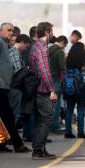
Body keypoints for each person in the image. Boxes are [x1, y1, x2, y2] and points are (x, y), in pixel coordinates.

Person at [0, 23, 31, 153]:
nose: (11, 33)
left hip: (2, 86)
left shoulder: (3, 43)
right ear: (1, 31)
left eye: (12, 31)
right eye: (9, 30)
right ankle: (17, 144)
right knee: (7, 116)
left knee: (0, 117)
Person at [29, 22, 58, 159]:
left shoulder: (36, 46)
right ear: (47, 32)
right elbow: (45, 71)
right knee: (47, 118)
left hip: (36, 87)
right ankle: (38, 150)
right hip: (42, 89)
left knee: (40, 119)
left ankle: (40, 148)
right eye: (51, 31)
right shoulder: (42, 48)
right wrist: (52, 90)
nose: (52, 33)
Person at [64, 42, 85, 139]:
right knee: (81, 110)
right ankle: (80, 132)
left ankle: (67, 132)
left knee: (69, 110)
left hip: (70, 87)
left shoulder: (68, 60)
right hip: (81, 87)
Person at [8, 34, 31, 126]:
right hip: (14, 86)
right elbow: (18, 71)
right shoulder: (15, 52)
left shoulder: (11, 51)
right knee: (14, 112)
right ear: (21, 42)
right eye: (26, 46)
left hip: (11, 84)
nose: (26, 48)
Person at [49, 35, 67, 132]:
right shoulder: (59, 52)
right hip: (56, 78)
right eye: (64, 45)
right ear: (62, 42)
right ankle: (55, 126)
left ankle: (48, 125)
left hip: (47, 78)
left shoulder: (48, 48)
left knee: (48, 104)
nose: (64, 48)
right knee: (56, 103)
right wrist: (63, 78)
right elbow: (62, 67)